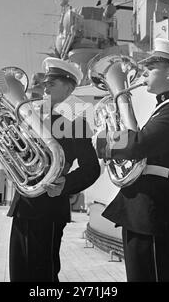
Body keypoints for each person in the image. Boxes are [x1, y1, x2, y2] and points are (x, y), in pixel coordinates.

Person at [95, 38, 169, 282]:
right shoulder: (166, 108)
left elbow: (138, 144)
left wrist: (104, 142)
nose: (144, 72)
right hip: (146, 210)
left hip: (155, 211)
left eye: (151, 67)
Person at [7, 57, 101, 282]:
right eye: (45, 83)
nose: (45, 87)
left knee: (42, 275)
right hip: (23, 204)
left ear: (69, 88)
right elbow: (17, 153)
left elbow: (91, 168)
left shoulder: (75, 122)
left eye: (52, 83)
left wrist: (66, 184)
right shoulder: (32, 117)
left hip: (49, 205)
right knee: (19, 272)